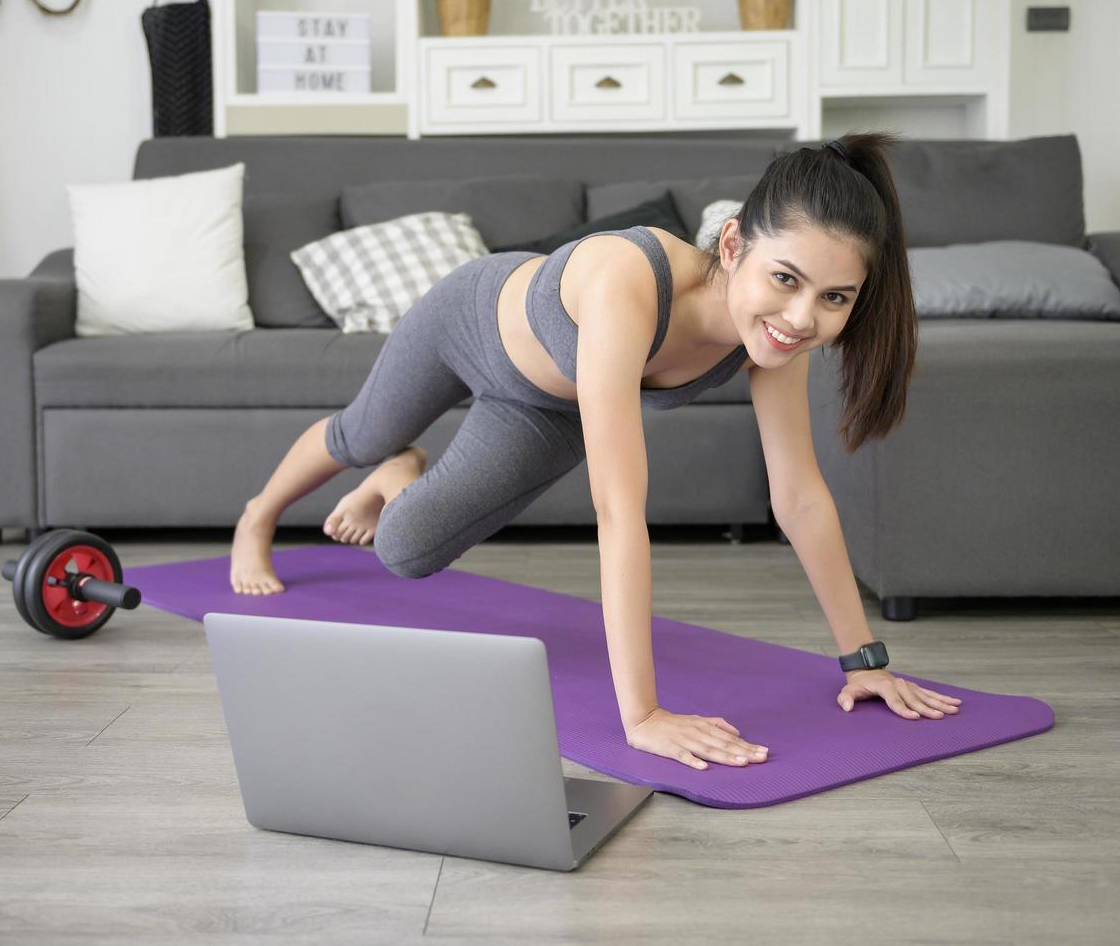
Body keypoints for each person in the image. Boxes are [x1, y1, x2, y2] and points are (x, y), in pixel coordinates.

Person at [229, 132, 962, 772]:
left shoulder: (773, 339)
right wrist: (642, 716)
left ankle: (404, 471)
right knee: (362, 435)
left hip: (547, 406)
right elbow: (618, 513)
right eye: (785, 279)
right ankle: (259, 516)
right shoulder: (629, 280)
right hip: (466, 321)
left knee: (403, 551)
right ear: (734, 245)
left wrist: (864, 662)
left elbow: (798, 495)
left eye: (835, 298)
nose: (802, 317)